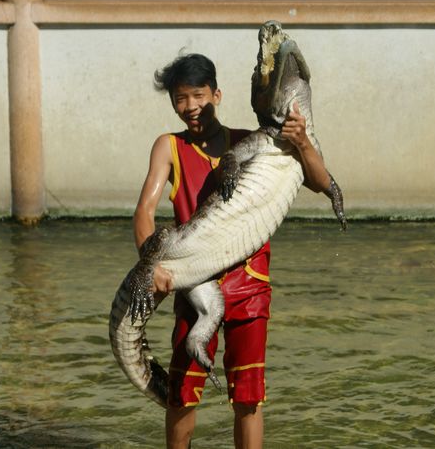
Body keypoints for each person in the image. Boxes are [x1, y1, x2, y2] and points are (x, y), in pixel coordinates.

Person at [133, 53, 335, 449]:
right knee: (182, 393)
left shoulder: (249, 140)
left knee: (248, 398)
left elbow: (320, 182)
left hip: (250, 284)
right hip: (195, 283)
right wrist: (150, 264)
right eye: (180, 99)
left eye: (198, 95)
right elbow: (144, 212)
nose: (190, 107)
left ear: (217, 95)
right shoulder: (168, 147)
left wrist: (302, 140)